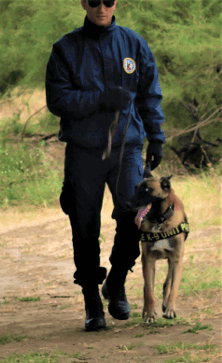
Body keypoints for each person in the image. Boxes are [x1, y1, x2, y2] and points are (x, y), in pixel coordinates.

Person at [46, 0, 164, 332]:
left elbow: (150, 94)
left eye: (108, 1)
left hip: (127, 147)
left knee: (134, 216)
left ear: (116, 3)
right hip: (84, 150)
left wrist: (156, 137)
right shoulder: (66, 48)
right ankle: (91, 300)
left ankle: (116, 280)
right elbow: (57, 100)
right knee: (84, 225)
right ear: (84, 3)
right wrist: (98, 98)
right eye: (94, 1)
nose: (102, 7)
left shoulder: (133, 43)